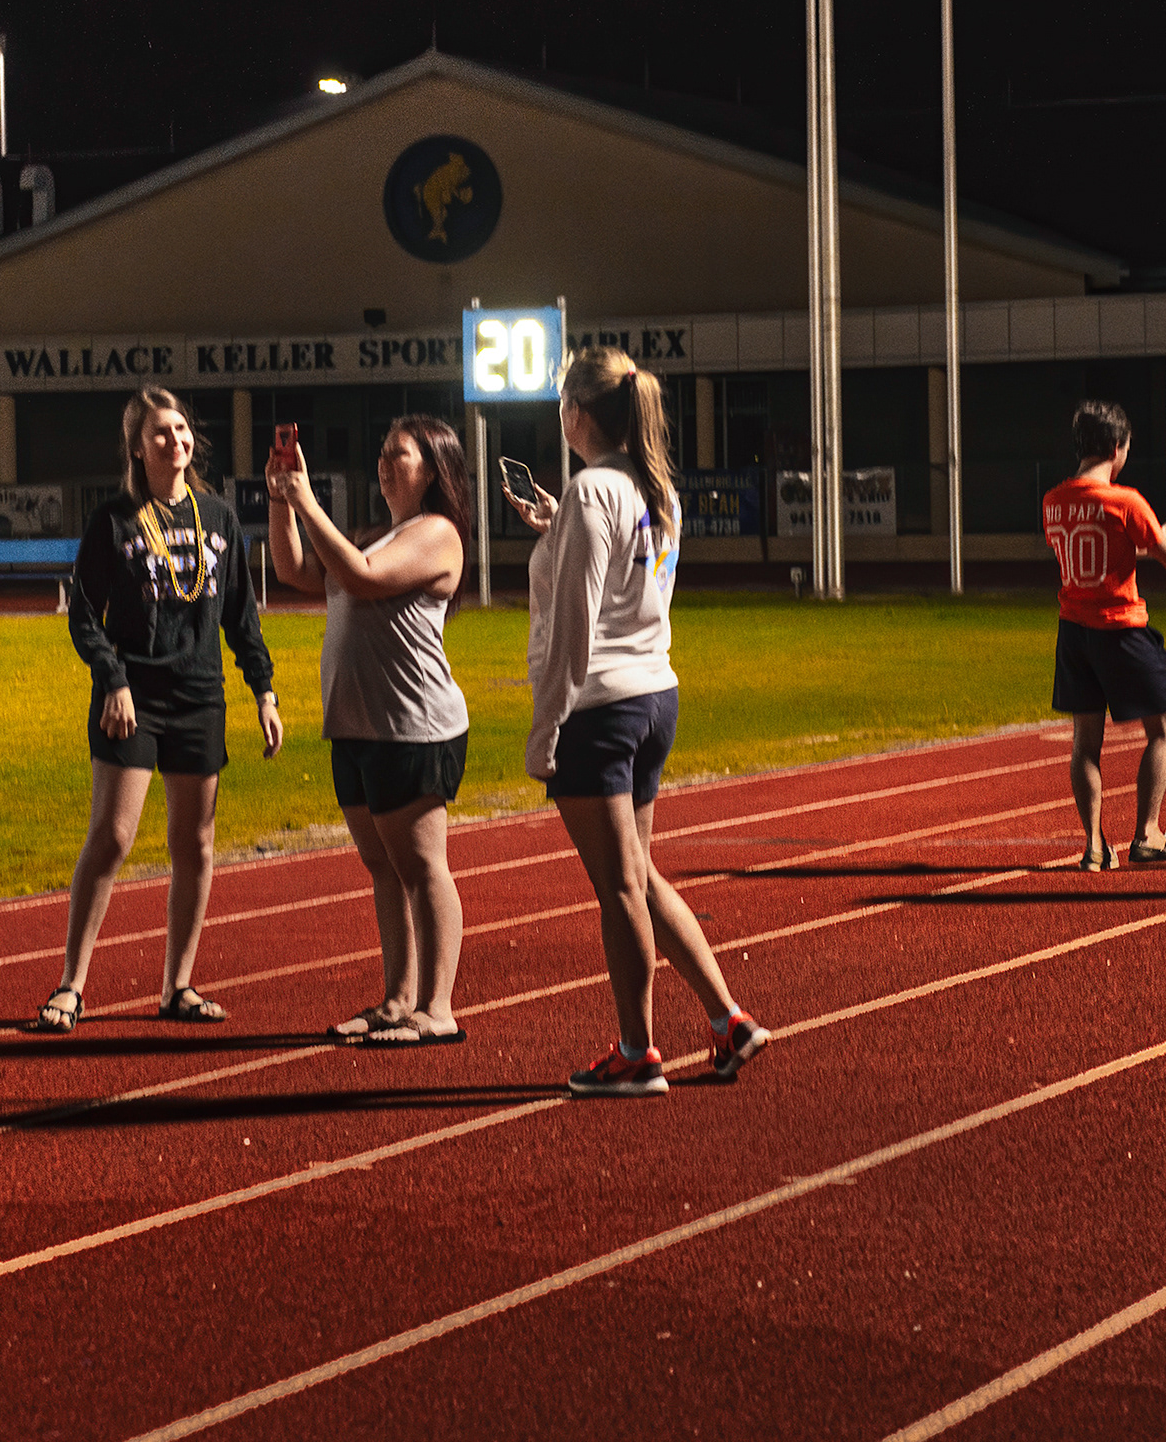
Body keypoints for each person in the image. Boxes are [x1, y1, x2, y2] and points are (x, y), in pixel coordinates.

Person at [506, 346, 768, 1097]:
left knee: (619, 886)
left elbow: (577, 625)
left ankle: (636, 1050)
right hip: (655, 695)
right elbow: (621, 573)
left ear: (576, 414)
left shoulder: (593, 490)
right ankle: (726, 1020)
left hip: (601, 706)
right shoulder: (652, 488)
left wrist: (544, 728)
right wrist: (559, 526)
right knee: (642, 877)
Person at [37, 388, 282, 1033]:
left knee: (194, 842)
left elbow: (241, 615)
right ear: (137, 448)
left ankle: (178, 985)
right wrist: (112, 679)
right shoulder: (113, 521)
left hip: (199, 695)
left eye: (180, 430)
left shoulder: (221, 519)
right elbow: (85, 616)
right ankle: (71, 984)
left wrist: (263, 690)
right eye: (159, 434)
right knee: (112, 837)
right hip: (131, 698)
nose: (174, 442)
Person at [267, 416, 472, 1046]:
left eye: (399, 455)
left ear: (433, 470)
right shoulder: (376, 533)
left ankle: (437, 1007)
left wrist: (306, 500)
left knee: (421, 865)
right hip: (356, 726)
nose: (384, 464)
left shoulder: (438, 535)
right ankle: (397, 998)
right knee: (382, 867)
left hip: (413, 726)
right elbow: (295, 570)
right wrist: (282, 501)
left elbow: (359, 577)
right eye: (381, 453)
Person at [1041, 400, 1166, 871]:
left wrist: (1140, 542)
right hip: (1122, 628)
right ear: (1117, 446)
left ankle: (1093, 845)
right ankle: (1147, 834)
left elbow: (1092, 548)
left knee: (1085, 743)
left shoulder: (1053, 500)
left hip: (1073, 630)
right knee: (1163, 730)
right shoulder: (1126, 500)